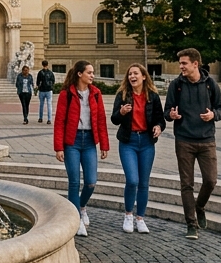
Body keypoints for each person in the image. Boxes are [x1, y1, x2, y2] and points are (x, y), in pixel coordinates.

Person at [165, 47, 221, 240]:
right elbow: (166, 112)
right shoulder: (176, 85)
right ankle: (191, 224)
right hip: (184, 140)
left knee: (210, 180)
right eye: (180, 63)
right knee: (186, 184)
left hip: (207, 140)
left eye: (184, 63)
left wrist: (213, 115)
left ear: (195, 64)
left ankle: (199, 207)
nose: (181, 66)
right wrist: (171, 115)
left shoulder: (210, 84)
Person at [53, 60, 109, 238]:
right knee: (74, 182)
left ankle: (82, 206)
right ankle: (76, 219)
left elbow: (101, 120)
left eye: (93, 72)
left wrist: (104, 145)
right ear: (79, 74)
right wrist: (59, 147)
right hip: (73, 142)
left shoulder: (96, 94)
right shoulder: (66, 95)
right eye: (89, 72)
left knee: (91, 182)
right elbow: (59, 122)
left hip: (90, 141)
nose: (92, 75)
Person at [111, 64, 165, 234]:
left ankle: (140, 218)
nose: (132, 76)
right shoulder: (123, 95)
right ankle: (128, 215)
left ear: (143, 76)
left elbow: (160, 119)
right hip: (129, 142)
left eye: (135, 73)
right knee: (132, 180)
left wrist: (158, 127)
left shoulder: (153, 96)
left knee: (144, 182)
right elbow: (114, 119)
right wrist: (122, 112)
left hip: (147, 142)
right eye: (129, 74)